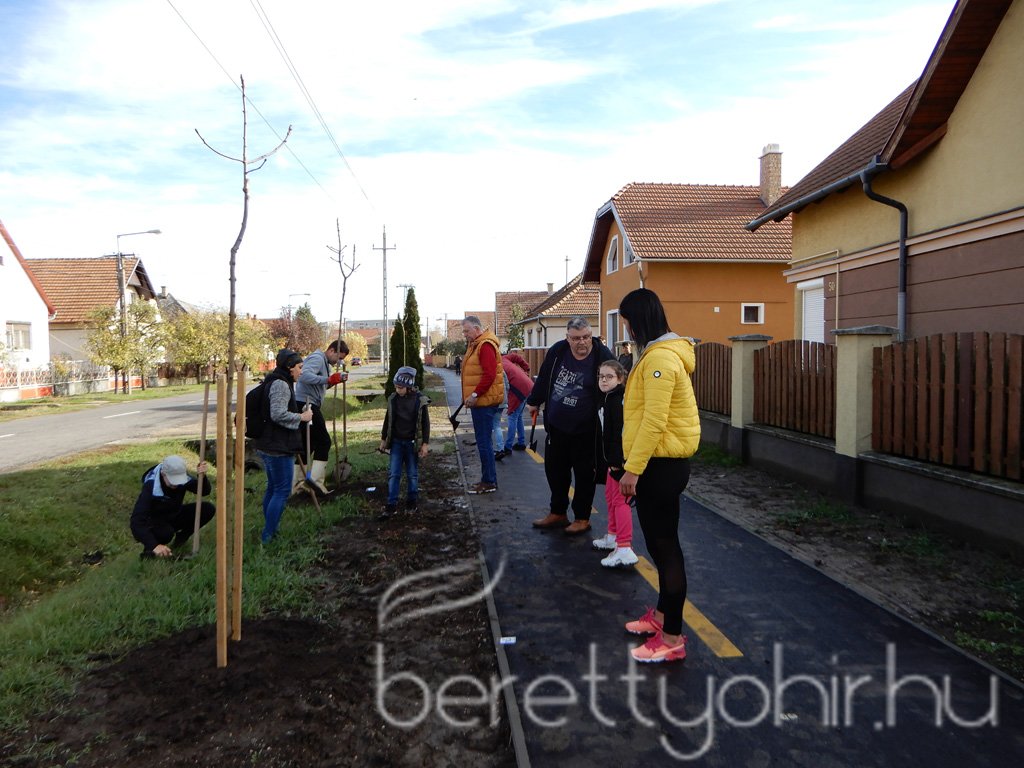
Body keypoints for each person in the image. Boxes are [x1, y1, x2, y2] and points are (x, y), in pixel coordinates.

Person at [617, 288, 700, 663]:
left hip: (660, 466)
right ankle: (663, 617)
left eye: (628, 322)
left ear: (640, 320)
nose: (627, 330)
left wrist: (633, 469)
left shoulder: (661, 360)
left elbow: (654, 421)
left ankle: (672, 638)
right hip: (658, 463)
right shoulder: (654, 355)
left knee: (666, 548)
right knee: (659, 544)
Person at [526, 317, 614, 534]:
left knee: (585, 475)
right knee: (555, 471)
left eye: (586, 337)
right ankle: (558, 512)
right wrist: (534, 401)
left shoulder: (602, 356)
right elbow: (545, 376)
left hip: (587, 430)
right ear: (568, 338)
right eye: (576, 338)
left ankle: (582, 518)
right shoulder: (558, 351)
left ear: (591, 335)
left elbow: (615, 387)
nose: (582, 342)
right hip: (557, 426)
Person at [252, 349, 313, 544]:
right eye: (299, 367)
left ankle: (271, 530)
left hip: (270, 444)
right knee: (281, 490)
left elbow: (279, 409)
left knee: (273, 488)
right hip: (277, 447)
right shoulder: (280, 385)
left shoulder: (277, 381)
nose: (301, 372)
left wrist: (298, 410)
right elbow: (277, 414)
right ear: (289, 367)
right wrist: (302, 417)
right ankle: (268, 536)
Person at [592, 359, 639, 567]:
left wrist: (618, 462)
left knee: (621, 503)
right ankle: (612, 536)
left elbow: (621, 435)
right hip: (610, 461)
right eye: (601, 376)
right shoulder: (606, 398)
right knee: (610, 498)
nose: (603, 380)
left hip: (619, 462)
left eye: (609, 376)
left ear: (620, 379)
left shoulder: (618, 401)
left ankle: (625, 547)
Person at [131, 454, 215, 559]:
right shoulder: (151, 486)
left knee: (208, 509)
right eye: (172, 482)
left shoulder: (183, 476)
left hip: (174, 514)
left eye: (178, 481)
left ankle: (181, 538)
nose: (176, 485)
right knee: (166, 533)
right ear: (163, 474)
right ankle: (151, 553)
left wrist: (202, 477)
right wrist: (154, 545)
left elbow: (204, 491)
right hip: (155, 522)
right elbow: (136, 521)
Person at [294, 339, 349, 494]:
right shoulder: (317, 358)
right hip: (306, 404)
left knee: (307, 443)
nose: (339, 361)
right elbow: (304, 377)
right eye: (339, 357)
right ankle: (315, 483)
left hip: (307, 403)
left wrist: (334, 381)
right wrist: (328, 379)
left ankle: (297, 485)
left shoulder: (324, 362)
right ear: (331, 350)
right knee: (324, 441)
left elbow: (319, 383)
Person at [461, 316, 504, 494]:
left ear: (477, 329)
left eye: (466, 331)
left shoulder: (485, 345)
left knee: (484, 442)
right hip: (481, 402)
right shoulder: (477, 344)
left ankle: (489, 482)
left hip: (484, 402)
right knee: (483, 441)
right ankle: (488, 480)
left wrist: (475, 394)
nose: (464, 334)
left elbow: (489, 375)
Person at [379, 366, 431, 517]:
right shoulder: (394, 399)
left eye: (400, 387)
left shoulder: (419, 401)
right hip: (396, 442)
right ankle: (391, 504)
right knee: (393, 474)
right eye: (396, 386)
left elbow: (425, 424)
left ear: (408, 386)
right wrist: (383, 439)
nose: (397, 389)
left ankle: (412, 502)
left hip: (411, 444)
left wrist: (425, 444)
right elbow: (387, 420)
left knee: (412, 474)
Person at [498, 353, 534, 456]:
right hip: (529, 384)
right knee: (518, 416)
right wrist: (526, 367)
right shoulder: (504, 358)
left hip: (518, 390)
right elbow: (515, 356)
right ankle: (521, 443)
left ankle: (508, 447)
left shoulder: (496, 365)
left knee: (512, 416)